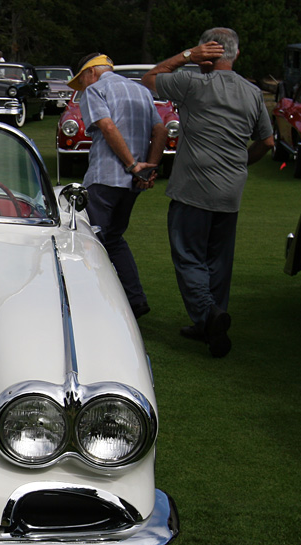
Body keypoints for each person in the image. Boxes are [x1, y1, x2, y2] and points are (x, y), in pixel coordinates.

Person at [141, 28, 274, 358]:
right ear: (236, 54)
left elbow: (150, 77)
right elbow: (268, 142)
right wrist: (242, 161)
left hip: (194, 188)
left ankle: (208, 315)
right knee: (218, 262)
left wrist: (187, 56)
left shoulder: (192, 83)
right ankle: (211, 326)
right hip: (231, 191)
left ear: (206, 52)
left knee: (188, 256)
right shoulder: (252, 92)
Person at [68, 53, 166, 320]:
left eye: (82, 80)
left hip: (105, 178)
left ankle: (94, 304)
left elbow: (107, 127)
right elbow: (161, 131)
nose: (83, 86)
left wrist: (133, 165)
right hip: (131, 183)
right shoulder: (141, 91)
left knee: (92, 241)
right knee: (114, 239)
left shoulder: (95, 90)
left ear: (90, 73)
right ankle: (135, 299)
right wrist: (149, 168)